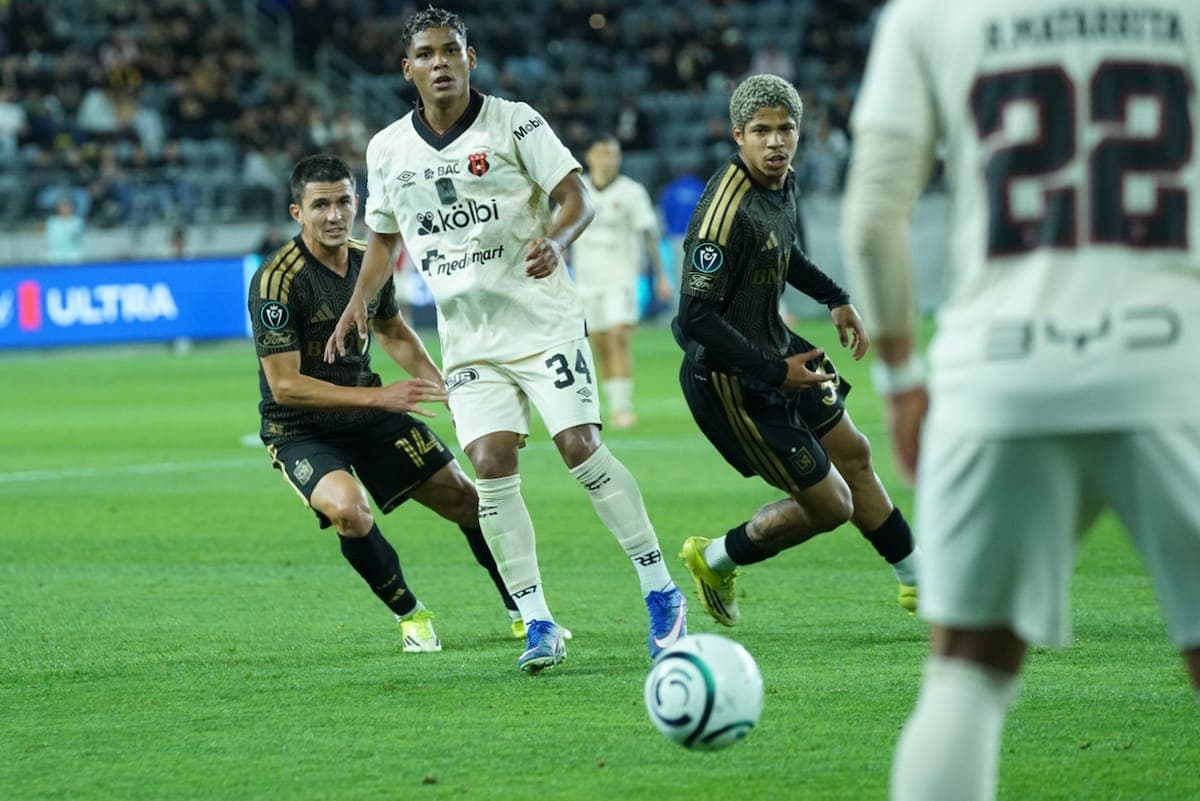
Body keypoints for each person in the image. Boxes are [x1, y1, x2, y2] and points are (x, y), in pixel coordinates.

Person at [840, 2, 1200, 799]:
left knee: (967, 668)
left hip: (998, 366)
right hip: (1174, 359)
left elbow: (869, 223)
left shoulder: (927, 14)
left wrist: (900, 379)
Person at [325, 7, 687, 674]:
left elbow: (578, 198)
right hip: (469, 338)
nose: (441, 63)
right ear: (407, 69)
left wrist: (556, 238)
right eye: (427, 53)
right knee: (489, 463)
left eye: (451, 51)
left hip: (541, 319)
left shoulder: (516, 121)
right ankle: (537, 618)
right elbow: (382, 236)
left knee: (580, 446)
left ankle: (661, 589)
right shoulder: (387, 149)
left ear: (470, 59)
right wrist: (357, 303)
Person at [672, 74, 920, 628]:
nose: (776, 142)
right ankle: (714, 558)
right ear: (739, 136)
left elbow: (786, 253)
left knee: (854, 452)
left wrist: (836, 298)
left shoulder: (781, 181)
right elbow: (695, 316)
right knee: (833, 505)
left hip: (779, 348)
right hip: (735, 380)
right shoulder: (723, 214)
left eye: (786, 129)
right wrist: (769, 372)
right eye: (761, 131)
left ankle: (918, 580)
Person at [249, 153, 522, 654]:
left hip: (370, 413)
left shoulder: (366, 263)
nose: (334, 215)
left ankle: (523, 610)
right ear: (297, 213)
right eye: (320, 205)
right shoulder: (276, 281)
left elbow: (394, 333)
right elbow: (284, 385)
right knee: (349, 511)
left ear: (358, 203)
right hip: (300, 427)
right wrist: (383, 395)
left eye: (343, 202)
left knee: (470, 502)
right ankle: (411, 616)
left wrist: (449, 391)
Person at [570, 133, 672, 429]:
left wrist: (662, 277)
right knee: (599, 342)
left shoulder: (632, 192)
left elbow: (649, 236)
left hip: (622, 278)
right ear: (589, 157)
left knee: (619, 336)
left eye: (613, 154)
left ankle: (623, 408)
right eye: (602, 153)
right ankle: (611, 404)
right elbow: (560, 232)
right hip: (588, 281)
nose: (608, 159)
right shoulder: (578, 190)